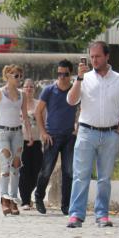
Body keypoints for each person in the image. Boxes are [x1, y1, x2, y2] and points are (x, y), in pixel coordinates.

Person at [66, 41, 119, 228]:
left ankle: (102, 214)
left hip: (110, 133)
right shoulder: (84, 78)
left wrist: (118, 132)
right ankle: (76, 215)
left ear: (107, 56)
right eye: (91, 57)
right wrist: (78, 79)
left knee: (104, 178)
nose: (94, 60)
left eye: (98, 56)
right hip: (87, 132)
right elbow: (71, 101)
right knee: (81, 175)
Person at [0, 65, 33, 216]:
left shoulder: (22, 95)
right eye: (15, 76)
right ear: (7, 76)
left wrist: (29, 134)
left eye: (20, 76)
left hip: (17, 133)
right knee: (5, 167)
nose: (18, 78)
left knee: (16, 168)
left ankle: (13, 200)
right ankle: (4, 199)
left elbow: (24, 116)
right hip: (3, 132)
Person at [33, 60, 78, 215]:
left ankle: (66, 205)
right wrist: (44, 133)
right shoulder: (49, 90)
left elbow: (84, 106)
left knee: (69, 172)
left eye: (65, 74)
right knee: (46, 170)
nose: (62, 77)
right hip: (52, 137)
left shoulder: (75, 91)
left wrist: (78, 124)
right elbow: (37, 112)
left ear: (70, 74)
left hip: (70, 137)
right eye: (59, 73)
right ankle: (38, 197)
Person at [18, 78, 42, 210]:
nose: (28, 89)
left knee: (37, 171)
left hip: (37, 141)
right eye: (26, 87)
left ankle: (29, 194)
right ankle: (25, 200)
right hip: (21, 141)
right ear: (22, 88)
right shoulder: (18, 104)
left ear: (34, 89)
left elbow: (45, 121)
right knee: (24, 171)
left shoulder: (39, 104)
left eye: (31, 87)